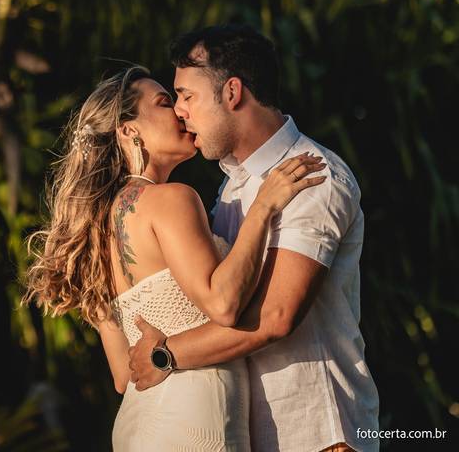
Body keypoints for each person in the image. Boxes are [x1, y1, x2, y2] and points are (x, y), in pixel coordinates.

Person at [23, 62, 326, 450]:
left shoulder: (92, 233)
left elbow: (122, 375)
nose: (182, 111)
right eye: (166, 102)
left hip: (139, 423)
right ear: (129, 130)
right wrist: (263, 208)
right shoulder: (172, 199)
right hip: (197, 415)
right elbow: (223, 304)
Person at [127, 24, 380, 452]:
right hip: (251, 434)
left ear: (231, 92)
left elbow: (276, 314)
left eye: (187, 96)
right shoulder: (232, 188)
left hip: (318, 433)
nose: (180, 112)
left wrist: (166, 356)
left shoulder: (312, 175)